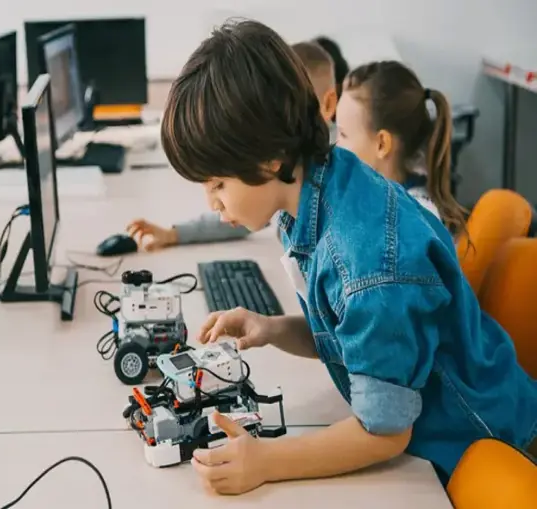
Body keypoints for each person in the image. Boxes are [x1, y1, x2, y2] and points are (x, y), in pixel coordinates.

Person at [160, 19, 537, 495]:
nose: (211, 203)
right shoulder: (318, 190)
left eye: (218, 184)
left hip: (490, 447)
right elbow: (345, 333)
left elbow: (384, 432)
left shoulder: (369, 265)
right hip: (449, 432)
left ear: (271, 158)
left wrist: (266, 461)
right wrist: (272, 328)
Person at [126, 40, 338, 251]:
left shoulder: (341, 234)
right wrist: (174, 234)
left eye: (218, 185)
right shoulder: (289, 189)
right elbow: (242, 214)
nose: (293, 123)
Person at [335, 61, 465, 233]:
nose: (335, 145)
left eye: (343, 134)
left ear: (382, 144)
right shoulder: (369, 194)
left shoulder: (412, 223)